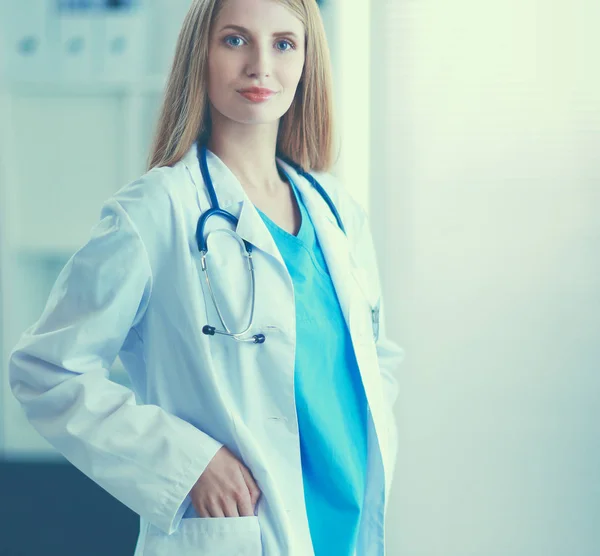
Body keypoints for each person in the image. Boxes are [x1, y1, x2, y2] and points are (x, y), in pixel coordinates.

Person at [8, 0, 405, 554]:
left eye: (284, 44)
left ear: (307, 62)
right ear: (201, 53)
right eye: (236, 40)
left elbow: (375, 356)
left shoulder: (336, 210)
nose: (261, 66)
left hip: (346, 526)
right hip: (242, 532)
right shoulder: (156, 210)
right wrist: (188, 464)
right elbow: (47, 372)